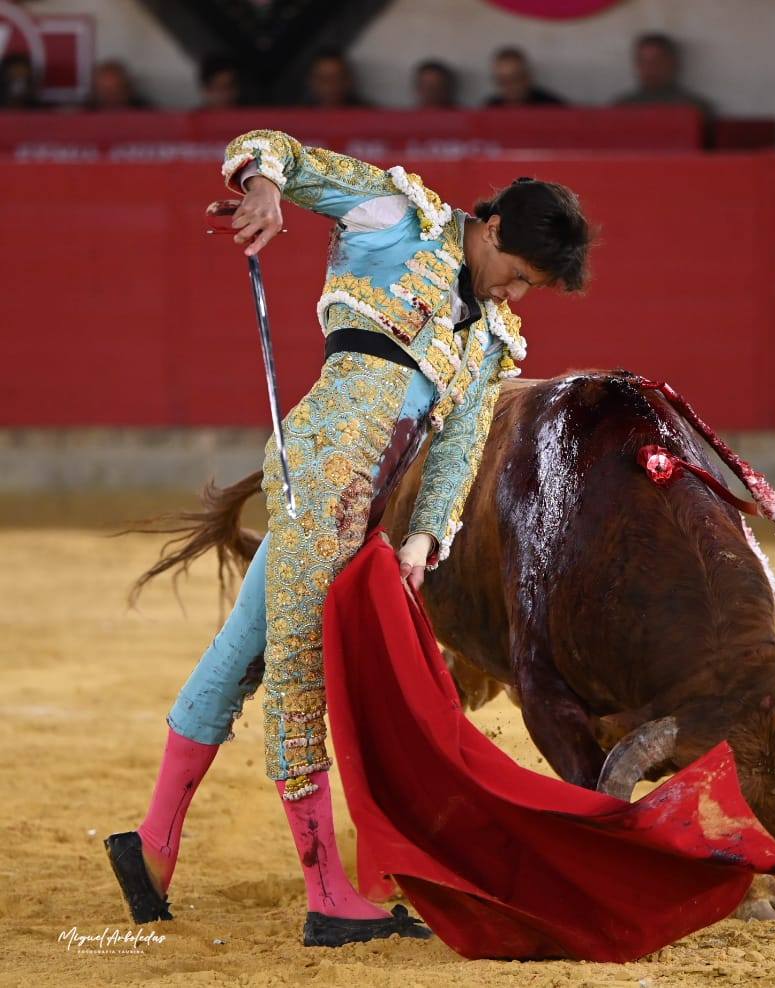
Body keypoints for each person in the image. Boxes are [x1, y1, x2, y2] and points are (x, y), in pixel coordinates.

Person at [104, 129, 591, 947]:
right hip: (319, 478)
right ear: (496, 227)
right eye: (519, 275)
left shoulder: (491, 340)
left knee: (242, 654)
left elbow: (461, 443)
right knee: (300, 668)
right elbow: (279, 151)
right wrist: (262, 185)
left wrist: (424, 538)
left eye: (532, 289)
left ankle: (151, 846)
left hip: (367, 505)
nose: (518, 296)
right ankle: (328, 892)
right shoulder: (394, 219)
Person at [614, 32, 713, 115]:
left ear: (673, 63)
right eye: (643, 61)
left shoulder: (694, 108)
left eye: (658, 61)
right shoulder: (621, 108)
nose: (650, 68)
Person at [484, 47, 565, 107]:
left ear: (527, 76)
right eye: (502, 81)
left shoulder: (551, 106)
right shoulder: (491, 107)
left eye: (515, 78)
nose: (509, 86)